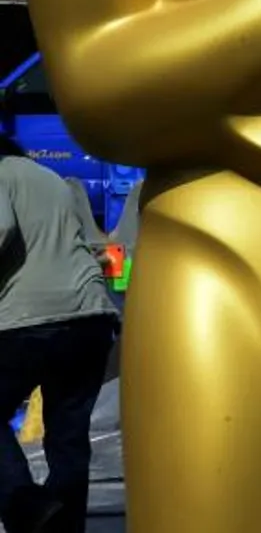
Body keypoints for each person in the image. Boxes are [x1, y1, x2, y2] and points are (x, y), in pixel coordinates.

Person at [0, 138, 121, 533]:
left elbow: (1, 229)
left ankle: (24, 503)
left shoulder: (1, 173)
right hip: (90, 317)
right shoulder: (52, 179)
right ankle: (62, 526)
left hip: (27, 319)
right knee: (69, 438)